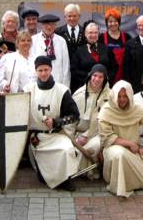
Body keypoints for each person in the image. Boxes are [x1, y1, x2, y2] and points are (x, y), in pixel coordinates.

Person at [26, 56, 81, 190]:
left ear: (51, 69)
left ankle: (65, 180)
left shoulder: (61, 91)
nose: (43, 73)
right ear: (35, 71)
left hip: (56, 135)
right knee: (42, 179)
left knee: (67, 150)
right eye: (40, 70)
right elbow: (17, 110)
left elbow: (75, 115)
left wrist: (57, 122)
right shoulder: (28, 90)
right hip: (38, 138)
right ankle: (49, 176)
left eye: (46, 69)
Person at [99, 80, 143, 197]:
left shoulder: (137, 109)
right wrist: (129, 143)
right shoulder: (106, 111)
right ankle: (119, 187)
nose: (122, 99)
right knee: (119, 153)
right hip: (113, 149)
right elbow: (107, 138)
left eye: (125, 96)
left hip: (133, 152)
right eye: (119, 96)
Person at [70, 64, 112, 178]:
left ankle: (88, 170)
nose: (97, 79)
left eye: (100, 77)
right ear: (90, 76)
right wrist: (74, 137)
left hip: (100, 133)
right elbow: (72, 120)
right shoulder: (79, 94)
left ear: (105, 79)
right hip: (78, 135)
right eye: (95, 75)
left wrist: (86, 135)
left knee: (94, 146)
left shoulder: (111, 96)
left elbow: (107, 121)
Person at [70, 21, 118, 92]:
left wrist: (106, 78)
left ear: (98, 34)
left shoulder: (106, 49)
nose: (93, 35)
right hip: (85, 88)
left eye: (96, 32)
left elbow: (114, 67)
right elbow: (74, 70)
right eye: (90, 33)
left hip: (105, 87)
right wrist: (89, 77)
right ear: (85, 34)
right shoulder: (79, 51)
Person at [31, 14, 71, 87]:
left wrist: (66, 87)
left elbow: (66, 66)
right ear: (41, 25)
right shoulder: (33, 40)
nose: (49, 27)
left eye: (52, 24)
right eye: (46, 24)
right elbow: (31, 63)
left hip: (58, 81)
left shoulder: (61, 41)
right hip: (39, 82)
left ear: (55, 25)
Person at [101, 8, 131, 84]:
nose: (113, 24)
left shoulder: (126, 36)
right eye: (110, 21)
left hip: (124, 74)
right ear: (106, 23)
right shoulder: (101, 37)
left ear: (119, 22)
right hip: (109, 75)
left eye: (115, 21)